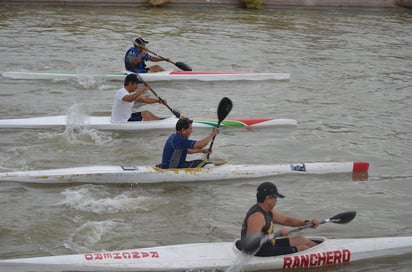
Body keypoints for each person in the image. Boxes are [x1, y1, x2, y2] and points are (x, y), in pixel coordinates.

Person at [240, 182, 320, 257]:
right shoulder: (257, 216)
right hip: (261, 252)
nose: (276, 201)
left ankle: (322, 251)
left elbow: (286, 220)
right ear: (268, 198)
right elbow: (250, 245)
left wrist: (306, 223)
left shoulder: (267, 211)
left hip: (269, 244)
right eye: (275, 198)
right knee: (303, 248)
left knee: (301, 240)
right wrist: (277, 234)